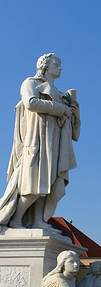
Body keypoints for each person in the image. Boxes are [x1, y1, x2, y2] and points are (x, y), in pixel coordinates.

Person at [0, 53, 80, 230]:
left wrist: (73, 108)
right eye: (56, 64)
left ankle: (38, 220)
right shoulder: (31, 83)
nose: (60, 67)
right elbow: (30, 103)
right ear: (44, 66)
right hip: (37, 139)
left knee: (49, 183)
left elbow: (74, 128)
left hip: (54, 141)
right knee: (33, 181)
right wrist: (60, 109)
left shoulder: (59, 93)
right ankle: (16, 219)